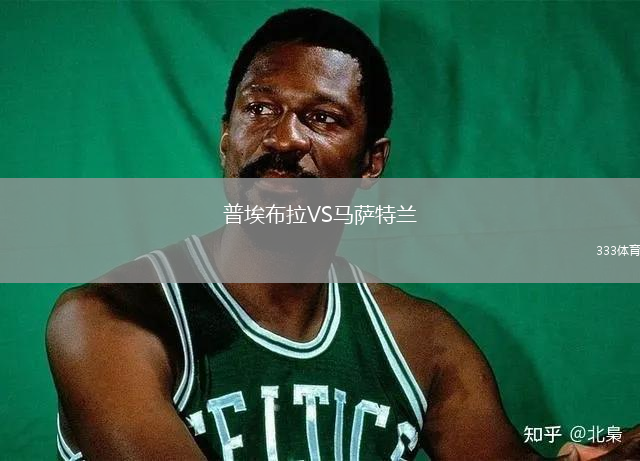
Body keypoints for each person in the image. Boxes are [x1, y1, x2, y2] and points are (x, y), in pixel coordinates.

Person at [46, 8, 639, 461]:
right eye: (260, 109)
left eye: (322, 118)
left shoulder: (423, 343)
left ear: (371, 163)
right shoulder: (108, 321)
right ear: (226, 137)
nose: (284, 139)